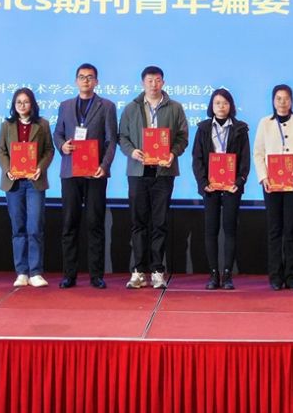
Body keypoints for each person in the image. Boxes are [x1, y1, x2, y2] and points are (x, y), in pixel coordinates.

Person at [119, 66, 189, 289]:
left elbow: (182, 137)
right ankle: (138, 271)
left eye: (158, 80)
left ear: (163, 83)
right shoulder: (131, 108)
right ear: (143, 83)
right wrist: (132, 151)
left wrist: (173, 153)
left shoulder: (175, 108)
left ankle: (158, 270)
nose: (154, 84)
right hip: (138, 172)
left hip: (163, 172)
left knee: (160, 222)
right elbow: (122, 137)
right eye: (150, 80)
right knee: (138, 223)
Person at [54, 63, 118, 289]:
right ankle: (69, 275)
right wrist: (62, 146)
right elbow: (57, 133)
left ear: (96, 81)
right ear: (76, 81)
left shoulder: (107, 106)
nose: (86, 81)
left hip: (95, 173)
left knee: (95, 223)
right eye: (82, 77)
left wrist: (104, 166)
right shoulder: (65, 106)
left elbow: (111, 140)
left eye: (90, 77)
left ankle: (96, 275)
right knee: (69, 223)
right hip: (70, 172)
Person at [254, 84, 293, 290]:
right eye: (278, 98)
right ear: (273, 101)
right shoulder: (265, 123)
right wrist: (263, 177)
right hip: (271, 182)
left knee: (291, 228)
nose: (282, 102)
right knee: (274, 229)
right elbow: (258, 153)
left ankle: (291, 276)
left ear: (292, 101)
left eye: (286, 98)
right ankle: (275, 276)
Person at [190, 88, 250, 290]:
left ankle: (227, 274)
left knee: (230, 230)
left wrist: (238, 182)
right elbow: (197, 158)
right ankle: (213, 274)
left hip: (232, 187)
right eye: (217, 103)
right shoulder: (203, 128)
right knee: (211, 230)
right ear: (211, 106)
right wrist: (203, 183)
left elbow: (245, 160)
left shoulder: (241, 129)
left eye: (225, 103)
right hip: (210, 187)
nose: (221, 106)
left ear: (230, 105)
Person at [0, 87, 55, 288]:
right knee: (18, 227)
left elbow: (49, 150)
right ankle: (21, 271)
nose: (22, 105)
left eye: (26, 102)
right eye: (18, 102)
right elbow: (1, 150)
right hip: (13, 182)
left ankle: (36, 272)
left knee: (35, 226)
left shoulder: (42, 124)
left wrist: (40, 168)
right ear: (14, 105)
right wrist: (8, 170)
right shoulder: (7, 125)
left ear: (33, 104)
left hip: (34, 181)